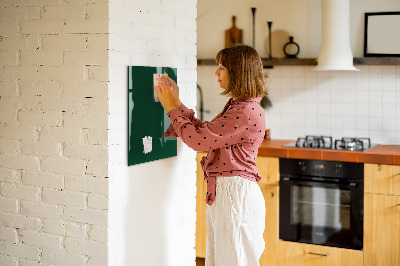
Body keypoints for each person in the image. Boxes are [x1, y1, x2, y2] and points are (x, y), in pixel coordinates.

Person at [155, 44, 268, 266]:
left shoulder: (245, 111)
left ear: (238, 72)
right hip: (230, 195)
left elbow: (198, 141)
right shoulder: (240, 106)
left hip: (235, 197)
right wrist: (177, 104)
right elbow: (206, 133)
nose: (216, 73)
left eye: (222, 67)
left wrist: (170, 107)